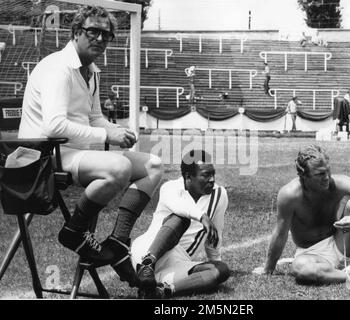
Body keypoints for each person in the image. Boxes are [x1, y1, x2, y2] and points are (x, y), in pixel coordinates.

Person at [18, 5, 163, 288]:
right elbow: (53, 126)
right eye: (93, 31)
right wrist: (106, 137)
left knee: (153, 166)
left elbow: (94, 116)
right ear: (75, 32)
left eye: (106, 35)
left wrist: (116, 130)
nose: (100, 39)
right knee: (119, 167)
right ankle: (74, 232)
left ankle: (119, 240)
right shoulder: (59, 68)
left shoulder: (91, 71)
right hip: (46, 155)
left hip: (75, 151)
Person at [255, 145, 350, 293]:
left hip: (341, 243)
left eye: (328, 171)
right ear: (303, 175)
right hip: (311, 255)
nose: (327, 177)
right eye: (320, 174)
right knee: (301, 269)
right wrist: (268, 268)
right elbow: (280, 233)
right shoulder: (289, 195)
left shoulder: (339, 182)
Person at [131, 149, 230, 298]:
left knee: (221, 270)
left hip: (177, 262)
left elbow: (215, 234)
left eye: (213, 174)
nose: (212, 179)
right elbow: (181, 207)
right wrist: (202, 217)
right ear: (188, 176)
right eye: (206, 175)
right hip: (148, 249)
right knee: (180, 219)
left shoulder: (219, 194)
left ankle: (161, 291)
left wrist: (215, 261)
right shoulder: (170, 188)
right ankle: (147, 265)